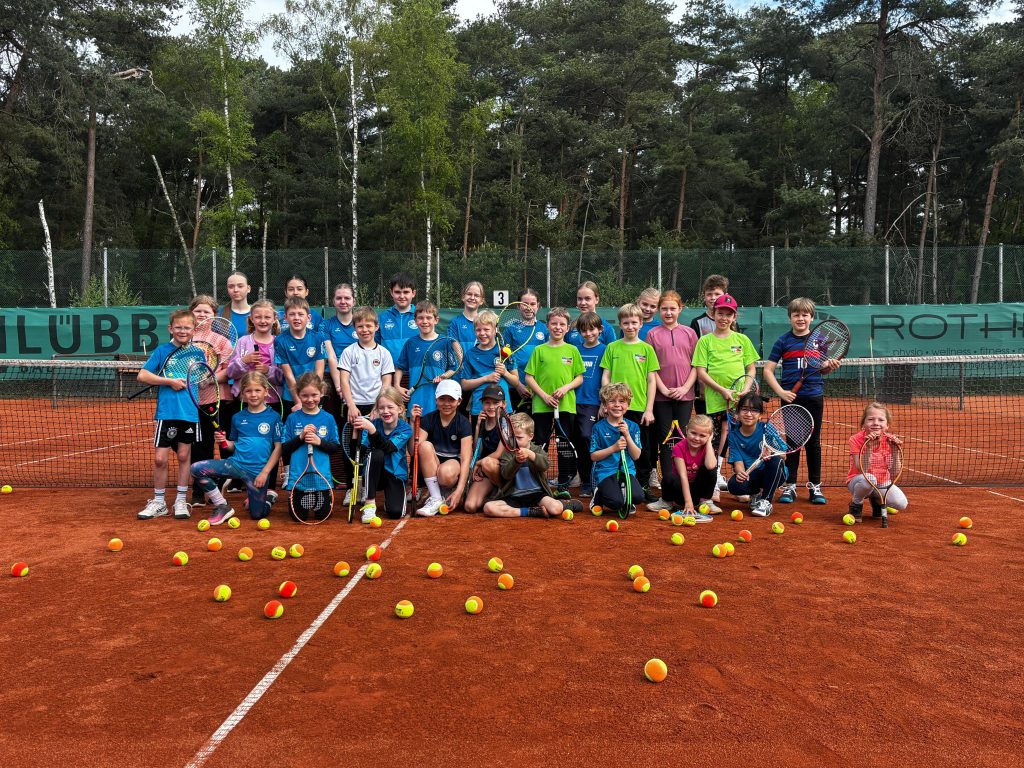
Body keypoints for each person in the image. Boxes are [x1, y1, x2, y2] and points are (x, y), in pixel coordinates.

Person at [763, 297, 839, 506]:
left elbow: (821, 368)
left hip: (814, 396)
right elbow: (768, 370)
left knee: (813, 443)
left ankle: (815, 486)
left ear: (811, 317)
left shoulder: (820, 341)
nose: (801, 318)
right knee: (793, 443)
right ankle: (790, 486)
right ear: (790, 318)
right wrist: (781, 392)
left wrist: (829, 367)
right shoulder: (783, 341)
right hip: (791, 399)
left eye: (805, 314)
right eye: (796, 314)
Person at [692, 293, 758, 512]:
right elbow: (701, 371)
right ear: (713, 314)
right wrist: (722, 390)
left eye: (728, 314)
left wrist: (745, 392)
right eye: (720, 313)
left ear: (734, 316)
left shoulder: (742, 340)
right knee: (712, 443)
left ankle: (743, 485)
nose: (724, 318)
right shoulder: (705, 341)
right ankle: (711, 488)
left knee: (739, 442)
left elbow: (750, 368)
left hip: (739, 403)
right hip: (714, 401)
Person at [190, 371, 283, 525]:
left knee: (257, 515)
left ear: (266, 392)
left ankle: (267, 499)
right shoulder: (237, 418)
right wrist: (224, 442)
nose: (253, 395)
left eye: (257, 390)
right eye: (248, 391)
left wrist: (265, 473)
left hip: (258, 472)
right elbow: (233, 447)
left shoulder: (274, 417)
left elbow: (278, 448)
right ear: (243, 394)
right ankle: (221, 505)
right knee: (196, 469)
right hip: (236, 465)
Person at [136, 309, 200, 520]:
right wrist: (169, 381)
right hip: (166, 412)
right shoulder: (162, 351)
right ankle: (159, 502)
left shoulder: (199, 353)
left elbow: (204, 378)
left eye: (187, 327)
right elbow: (143, 375)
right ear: (171, 328)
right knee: (160, 459)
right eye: (178, 327)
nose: (183, 331)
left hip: (190, 411)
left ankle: (181, 500)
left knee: (184, 456)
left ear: (194, 329)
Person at [226, 299, 285, 501]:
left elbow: (283, 376)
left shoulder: (280, 342)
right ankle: (241, 481)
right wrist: (245, 361)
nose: (262, 320)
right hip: (244, 402)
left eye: (267, 317)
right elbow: (230, 372)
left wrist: (268, 371)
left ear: (274, 319)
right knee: (245, 440)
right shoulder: (243, 342)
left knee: (270, 444)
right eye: (258, 317)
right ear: (251, 319)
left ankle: (268, 487)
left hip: (272, 402)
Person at [600, 303, 660, 501]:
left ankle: (640, 485)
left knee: (641, 449)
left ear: (641, 323)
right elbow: (606, 376)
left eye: (634, 322)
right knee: (613, 445)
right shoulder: (612, 347)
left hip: (638, 408)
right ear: (620, 324)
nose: (630, 326)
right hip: (615, 409)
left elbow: (652, 380)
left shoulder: (647, 349)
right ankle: (612, 482)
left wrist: (649, 409)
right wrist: (604, 402)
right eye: (626, 322)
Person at [646, 289, 698, 503]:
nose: (668, 313)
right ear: (659, 310)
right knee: (665, 441)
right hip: (661, 398)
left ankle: (683, 485)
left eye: (672, 309)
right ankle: (668, 485)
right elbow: (651, 368)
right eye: (664, 309)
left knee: (683, 440)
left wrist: (685, 388)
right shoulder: (652, 334)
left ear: (680, 309)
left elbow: (697, 365)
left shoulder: (690, 333)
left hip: (685, 398)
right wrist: (664, 389)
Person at [524, 306, 584, 492]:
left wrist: (566, 388)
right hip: (542, 406)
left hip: (566, 405)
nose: (558, 327)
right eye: (554, 323)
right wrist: (544, 396)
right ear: (547, 326)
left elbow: (579, 377)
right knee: (541, 441)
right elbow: (529, 377)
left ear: (567, 328)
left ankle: (565, 479)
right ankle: (539, 479)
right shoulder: (539, 350)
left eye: (562, 324)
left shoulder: (573, 350)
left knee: (564, 443)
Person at [482, 412, 583, 519]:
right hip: (514, 496)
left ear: (530, 436)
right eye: (512, 436)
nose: (515, 441)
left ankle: (566, 503)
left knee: (556, 508)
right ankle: (530, 512)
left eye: (519, 437)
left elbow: (545, 465)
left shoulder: (538, 450)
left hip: (537, 495)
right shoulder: (508, 453)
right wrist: (516, 461)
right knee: (488, 508)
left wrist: (530, 455)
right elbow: (505, 475)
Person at [187, 295, 234, 502]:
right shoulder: (184, 338)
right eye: (198, 311)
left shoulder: (222, 342)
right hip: (191, 402)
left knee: (223, 445)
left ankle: (226, 486)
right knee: (199, 447)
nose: (202, 315)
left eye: (207, 312)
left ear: (214, 316)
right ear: (191, 313)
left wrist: (210, 380)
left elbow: (230, 371)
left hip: (217, 399)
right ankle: (199, 492)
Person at [281, 372, 341, 519]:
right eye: (305, 396)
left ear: (322, 392)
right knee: (298, 518)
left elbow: (334, 448)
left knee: (323, 516)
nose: (310, 399)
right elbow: (284, 448)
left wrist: (319, 441)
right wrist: (300, 437)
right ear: (298, 395)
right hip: (298, 478)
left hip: (322, 480)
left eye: (314, 395)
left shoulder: (328, 418)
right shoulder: (292, 418)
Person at [411, 379, 472, 516]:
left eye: (451, 399)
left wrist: (460, 490)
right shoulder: (427, 419)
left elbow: (466, 459)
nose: (446, 404)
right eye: (442, 399)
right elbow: (413, 451)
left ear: (459, 401)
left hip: (451, 469)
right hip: (432, 466)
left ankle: (446, 492)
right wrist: (412, 422)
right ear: (436, 400)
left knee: (445, 473)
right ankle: (436, 497)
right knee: (424, 446)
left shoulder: (464, 424)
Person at [354, 387, 413, 522]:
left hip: (395, 474)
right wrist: (356, 433)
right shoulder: (372, 424)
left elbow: (388, 447)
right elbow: (361, 451)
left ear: (400, 409)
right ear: (377, 410)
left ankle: (390, 500)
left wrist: (372, 430)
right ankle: (369, 504)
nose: (385, 411)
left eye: (390, 407)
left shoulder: (405, 429)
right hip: (375, 474)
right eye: (381, 408)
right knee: (376, 454)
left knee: (395, 513)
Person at [726, 392, 786, 517]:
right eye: (745, 409)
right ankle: (755, 494)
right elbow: (738, 461)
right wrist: (741, 473)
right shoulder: (733, 434)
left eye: (754, 410)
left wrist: (771, 451)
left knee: (776, 460)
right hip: (752, 473)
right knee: (734, 485)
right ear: (738, 412)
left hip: (773, 473)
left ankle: (766, 501)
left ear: (760, 415)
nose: (748, 414)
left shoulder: (766, 428)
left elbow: (783, 454)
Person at [321, 283, 358, 484]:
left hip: (359, 383)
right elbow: (332, 357)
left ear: (354, 300)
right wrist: (338, 386)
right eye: (339, 298)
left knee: (355, 431)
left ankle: (358, 481)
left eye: (347, 298)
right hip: (333, 383)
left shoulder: (361, 323)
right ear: (334, 301)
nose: (343, 302)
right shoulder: (327, 325)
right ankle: (335, 477)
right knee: (334, 429)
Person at [847, 402, 907, 523]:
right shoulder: (855, 439)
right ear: (863, 424)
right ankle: (856, 505)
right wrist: (868, 448)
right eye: (870, 419)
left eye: (881, 420)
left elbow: (894, 472)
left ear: (887, 425)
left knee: (901, 504)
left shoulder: (890, 440)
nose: (876, 423)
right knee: (869, 479)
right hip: (859, 481)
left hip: (882, 482)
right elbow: (860, 469)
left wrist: (895, 451)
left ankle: (877, 500)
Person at [589, 382, 644, 517]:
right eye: (612, 401)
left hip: (627, 471)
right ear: (605, 405)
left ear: (628, 405)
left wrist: (627, 435)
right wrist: (613, 448)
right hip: (606, 471)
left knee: (638, 497)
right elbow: (594, 456)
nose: (617, 405)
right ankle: (598, 494)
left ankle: (625, 496)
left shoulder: (633, 427)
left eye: (622, 401)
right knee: (615, 502)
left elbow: (636, 456)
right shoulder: (598, 427)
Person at [459, 309, 520, 422]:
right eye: (478, 330)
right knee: (479, 438)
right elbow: (464, 384)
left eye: (486, 329)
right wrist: (486, 378)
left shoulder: (505, 351)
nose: (482, 333)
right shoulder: (470, 354)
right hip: (479, 409)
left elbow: (516, 382)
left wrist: (505, 373)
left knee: (504, 439)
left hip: (503, 409)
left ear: (495, 330)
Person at [658, 414, 718, 521]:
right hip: (680, 491)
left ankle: (705, 502)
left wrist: (708, 443)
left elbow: (710, 465)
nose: (696, 438)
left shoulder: (707, 448)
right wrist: (688, 502)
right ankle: (666, 502)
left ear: (709, 436)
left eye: (703, 436)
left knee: (711, 469)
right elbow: (683, 475)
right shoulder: (678, 447)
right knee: (668, 477)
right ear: (687, 430)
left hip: (697, 492)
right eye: (693, 433)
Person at [573, 311, 607, 497]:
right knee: (576, 440)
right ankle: (579, 478)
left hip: (593, 403)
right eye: (583, 330)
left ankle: (591, 480)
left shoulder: (605, 350)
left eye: (592, 329)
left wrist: (604, 402)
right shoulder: (574, 350)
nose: (588, 334)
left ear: (600, 330)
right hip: (572, 402)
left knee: (587, 438)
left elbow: (607, 378)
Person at [275, 296, 328, 414]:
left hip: (314, 396)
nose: (296, 318)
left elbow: (319, 372)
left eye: (300, 314)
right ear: (285, 317)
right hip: (291, 397)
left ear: (308, 318)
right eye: (292, 314)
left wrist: (315, 395)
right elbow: (288, 375)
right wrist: (298, 401)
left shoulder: (318, 338)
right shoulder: (280, 341)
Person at [395, 300, 445, 417]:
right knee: (416, 433)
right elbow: (399, 367)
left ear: (436, 320)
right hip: (416, 399)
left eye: (429, 318)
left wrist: (444, 377)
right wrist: (397, 385)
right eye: (421, 318)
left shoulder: (445, 342)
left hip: (439, 399)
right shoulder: (410, 343)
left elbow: (454, 369)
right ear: (415, 321)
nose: (425, 321)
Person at [689, 274, 729, 418]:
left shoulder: (732, 322)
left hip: (728, 385)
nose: (713, 297)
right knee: (705, 426)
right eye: (709, 294)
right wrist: (701, 386)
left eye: (717, 294)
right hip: (704, 387)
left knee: (727, 426)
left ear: (725, 295)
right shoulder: (697, 323)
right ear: (704, 296)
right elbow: (697, 358)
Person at [500, 288, 546, 412]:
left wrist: (537, 388)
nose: (528, 307)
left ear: (538, 306)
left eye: (532, 304)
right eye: (524, 304)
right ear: (518, 306)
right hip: (516, 388)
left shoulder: (545, 329)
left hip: (540, 389)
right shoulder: (510, 330)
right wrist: (518, 385)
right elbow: (505, 359)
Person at [463, 384, 507, 514]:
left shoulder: (506, 423)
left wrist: (479, 463)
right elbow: (477, 449)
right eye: (487, 403)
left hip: (501, 470)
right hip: (486, 471)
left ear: (503, 404)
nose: (491, 407)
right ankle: (492, 496)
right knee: (470, 506)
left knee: (487, 463)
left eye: (496, 402)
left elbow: (499, 453)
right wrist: (477, 428)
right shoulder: (482, 421)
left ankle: (505, 491)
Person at [377, 271, 418, 364]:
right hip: (388, 372)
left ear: (413, 293)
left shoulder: (422, 317)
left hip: (415, 372)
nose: (402, 296)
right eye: (397, 292)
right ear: (391, 292)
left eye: (406, 292)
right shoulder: (382, 318)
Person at [567, 280, 618, 347]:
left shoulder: (606, 328)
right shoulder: (571, 327)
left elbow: (612, 353)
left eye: (587, 298)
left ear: (596, 299)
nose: (582, 303)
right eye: (579, 299)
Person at [447, 280, 484, 351]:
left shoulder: (487, 323)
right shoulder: (454, 323)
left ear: (481, 301)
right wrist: (464, 362)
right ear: (463, 297)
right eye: (469, 294)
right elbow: (457, 351)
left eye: (476, 295)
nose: (472, 298)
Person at [221, 270, 252, 340]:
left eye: (240, 286)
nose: (235, 290)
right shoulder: (218, 314)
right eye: (231, 287)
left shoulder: (258, 314)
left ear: (248, 288)